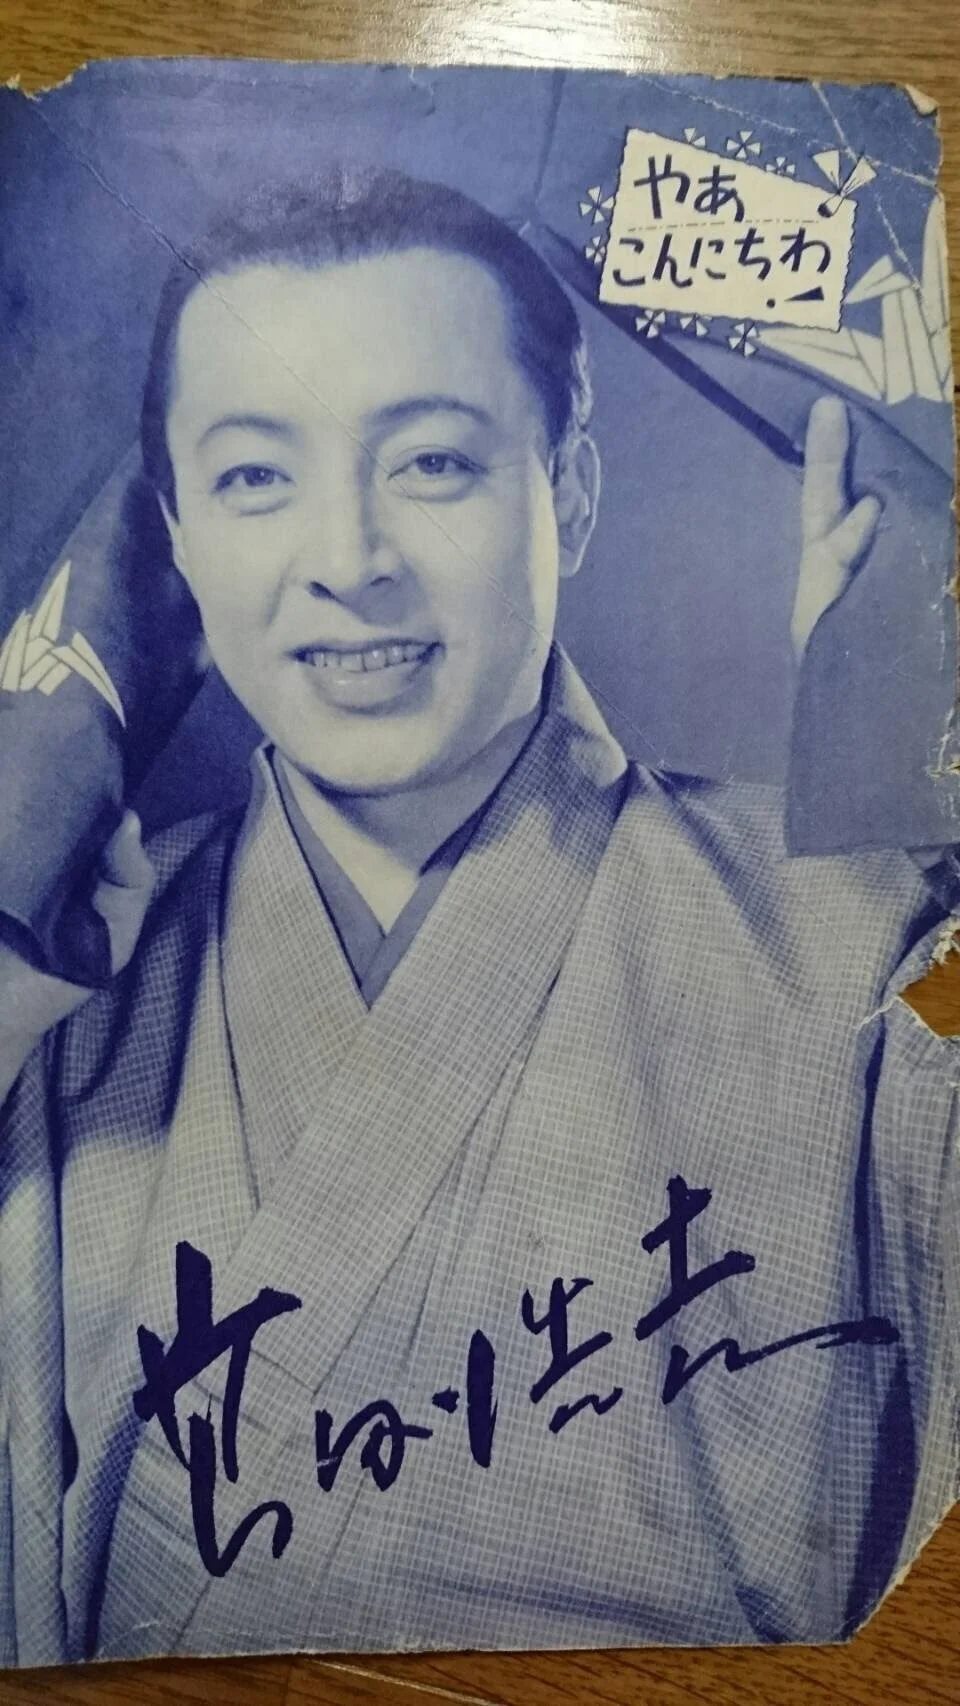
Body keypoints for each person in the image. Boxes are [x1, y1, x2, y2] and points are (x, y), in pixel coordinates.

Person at [0, 168, 957, 1670]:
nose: (348, 560)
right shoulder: (63, 1004)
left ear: (569, 491)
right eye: (254, 480)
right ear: (172, 538)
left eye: (434, 462)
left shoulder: (860, 938)